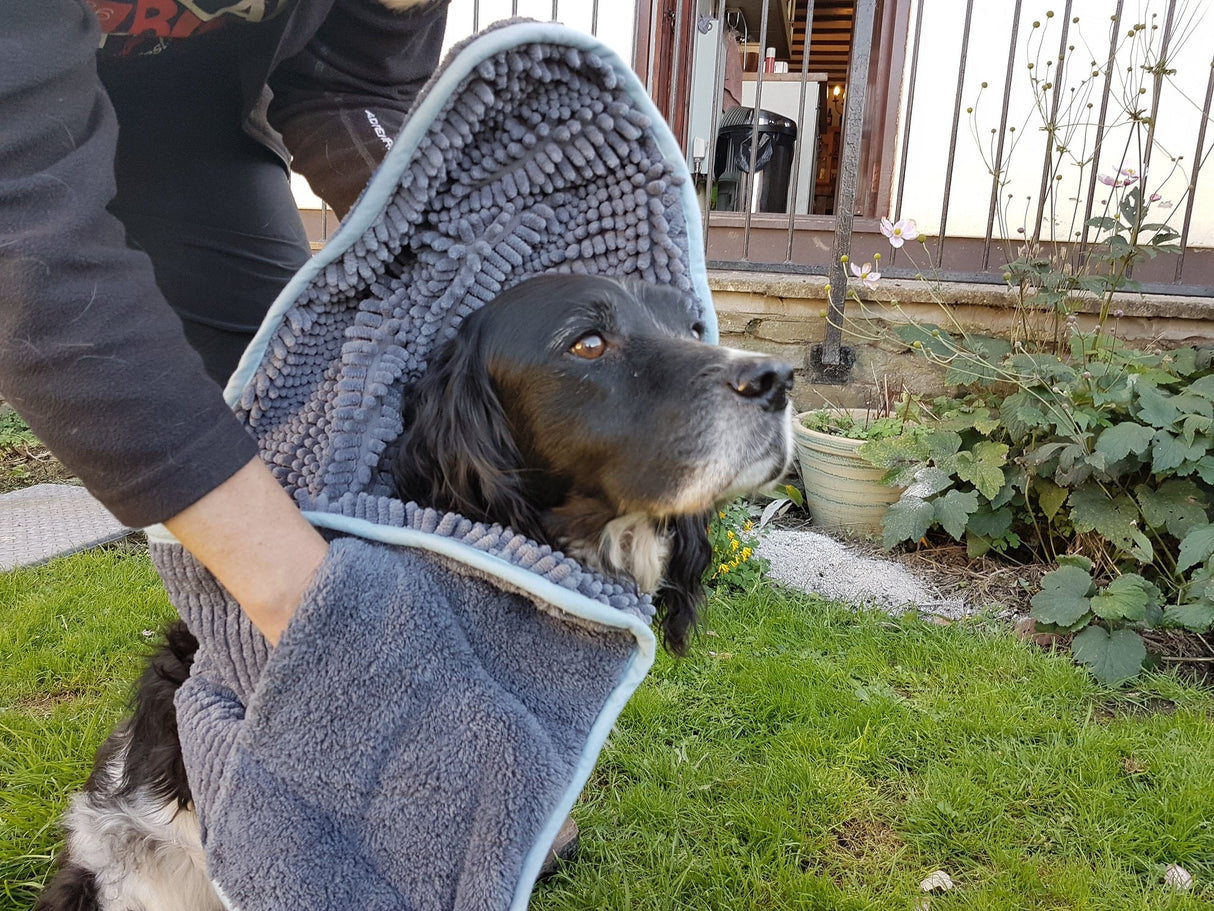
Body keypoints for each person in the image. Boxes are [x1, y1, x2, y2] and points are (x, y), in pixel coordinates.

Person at [0, 0, 451, 644]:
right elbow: (28, 250)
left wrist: (449, 248)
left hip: (191, 103)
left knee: (284, 409)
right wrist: (306, 610)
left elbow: (357, 82)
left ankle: (233, 676)